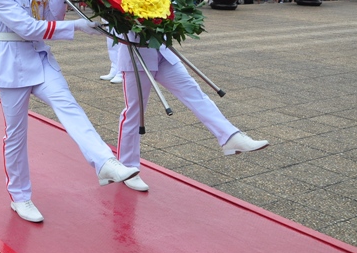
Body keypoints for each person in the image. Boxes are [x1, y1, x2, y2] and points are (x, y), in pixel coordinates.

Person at [0, 0, 138, 223]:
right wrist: (80, 28)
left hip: (40, 59)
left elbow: (50, 15)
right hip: (12, 64)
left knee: (70, 107)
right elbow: (28, 28)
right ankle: (20, 196)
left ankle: (104, 162)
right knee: (15, 135)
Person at [115, 39, 269, 192]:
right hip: (136, 56)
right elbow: (100, 25)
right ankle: (128, 167)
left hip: (163, 52)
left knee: (196, 94)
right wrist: (94, 25)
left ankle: (230, 137)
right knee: (135, 112)